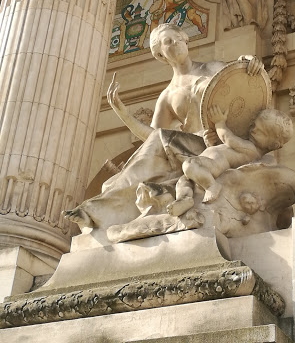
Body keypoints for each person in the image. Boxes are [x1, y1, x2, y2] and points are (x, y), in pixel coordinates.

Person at [64, 23, 263, 230]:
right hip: (193, 145)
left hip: (221, 143)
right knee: (154, 144)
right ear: (161, 55)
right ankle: (101, 207)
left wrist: (248, 61)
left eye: (177, 38)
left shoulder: (213, 68)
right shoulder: (168, 95)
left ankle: (99, 208)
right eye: (168, 42)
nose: (175, 43)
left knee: (159, 140)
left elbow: (241, 83)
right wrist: (124, 115)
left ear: (186, 39)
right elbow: (152, 137)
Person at [167, 106, 293, 216]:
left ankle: (211, 185)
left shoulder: (251, 150)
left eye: (260, 132)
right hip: (207, 162)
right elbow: (223, 148)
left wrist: (220, 123)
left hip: (215, 166)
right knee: (183, 180)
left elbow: (228, 138)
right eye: (254, 125)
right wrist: (210, 143)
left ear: (273, 145)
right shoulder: (247, 145)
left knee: (189, 165)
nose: (253, 130)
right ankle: (184, 199)